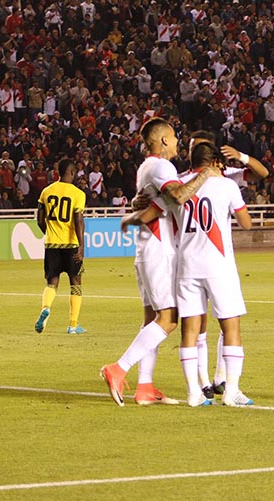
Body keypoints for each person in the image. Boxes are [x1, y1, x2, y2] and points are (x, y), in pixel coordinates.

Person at [100, 117, 217, 407]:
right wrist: (206, 173)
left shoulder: (146, 167)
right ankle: (118, 368)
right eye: (174, 137)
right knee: (169, 319)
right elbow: (178, 195)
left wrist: (139, 206)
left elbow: (158, 200)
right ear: (164, 139)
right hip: (160, 249)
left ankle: (145, 387)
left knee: (151, 320)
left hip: (147, 248)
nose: (177, 142)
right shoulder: (163, 167)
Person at [184, 130, 269, 398]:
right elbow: (246, 222)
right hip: (217, 262)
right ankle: (211, 385)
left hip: (188, 264)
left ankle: (217, 381)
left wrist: (242, 157)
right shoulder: (223, 183)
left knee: (202, 326)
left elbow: (262, 173)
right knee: (221, 323)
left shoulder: (183, 182)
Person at [33, 158, 87, 335]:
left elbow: (39, 220)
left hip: (52, 244)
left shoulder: (46, 191)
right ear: (71, 172)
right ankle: (73, 325)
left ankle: (46, 308)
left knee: (52, 282)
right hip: (71, 244)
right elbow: (78, 221)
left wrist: (49, 232)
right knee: (75, 283)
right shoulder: (78, 194)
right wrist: (81, 246)